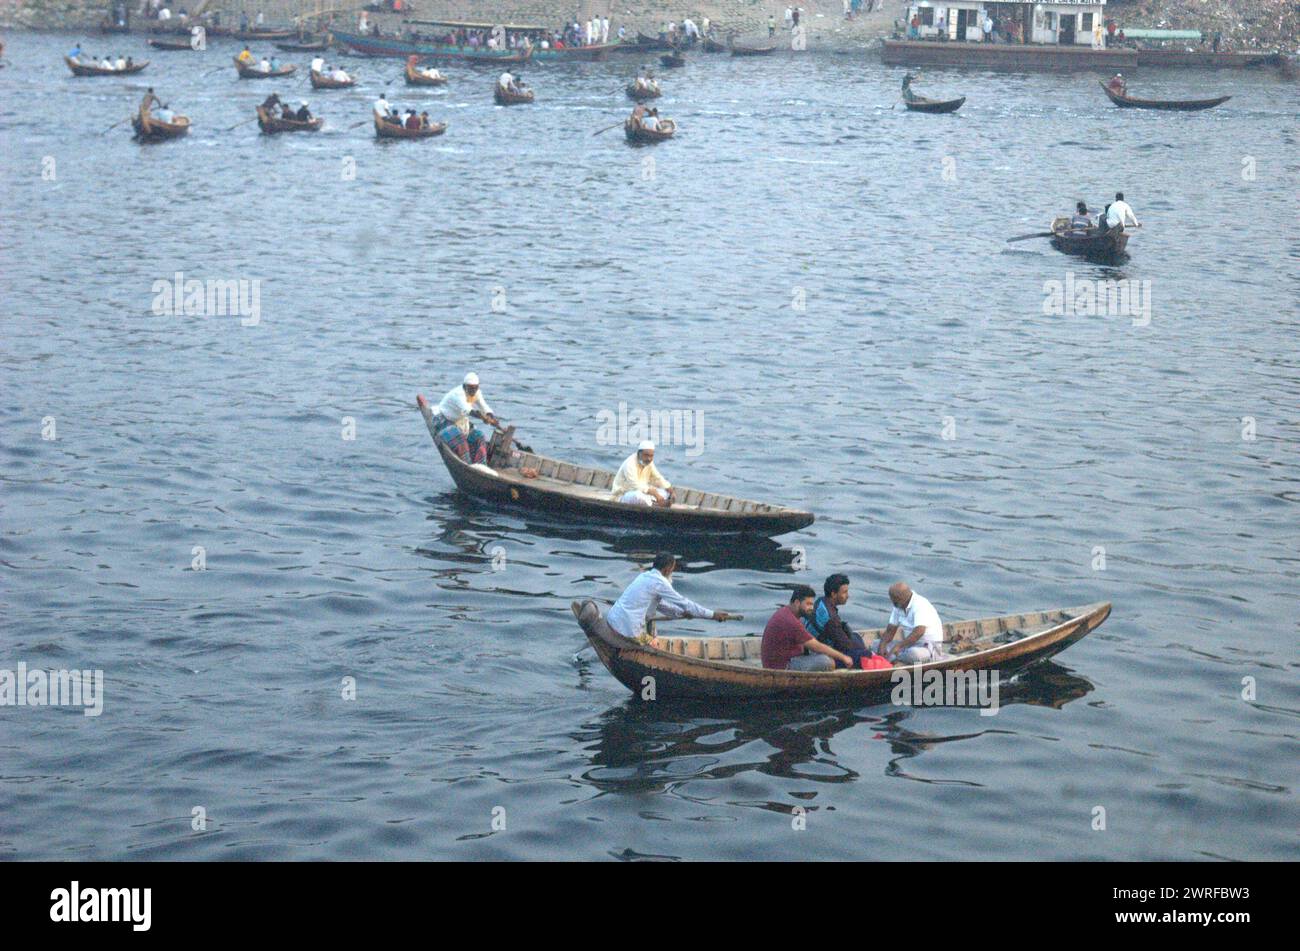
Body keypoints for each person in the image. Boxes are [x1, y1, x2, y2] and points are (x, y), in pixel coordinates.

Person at [606, 553, 730, 642]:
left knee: (652, 633)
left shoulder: (644, 576)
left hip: (613, 619)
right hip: (627, 629)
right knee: (655, 644)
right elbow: (684, 603)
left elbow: (660, 604)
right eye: (672, 569)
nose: (672, 572)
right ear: (666, 570)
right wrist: (712, 615)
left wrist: (681, 613)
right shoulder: (660, 582)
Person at [762, 586, 853, 671]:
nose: (811, 608)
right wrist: (843, 657)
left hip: (784, 658)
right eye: (808, 604)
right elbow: (816, 646)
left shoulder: (786, 612)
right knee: (827, 662)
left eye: (812, 604)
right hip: (781, 666)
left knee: (822, 651)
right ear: (797, 602)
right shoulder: (791, 621)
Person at [805, 574, 877, 668]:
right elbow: (846, 645)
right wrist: (866, 652)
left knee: (855, 636)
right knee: (866, 655)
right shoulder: (831, 619)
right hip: (821, 652)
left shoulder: (821, 601)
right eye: (844, 592)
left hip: (819, 642)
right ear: (833, 594)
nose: (848, 596)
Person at [433, 373, 499, 465]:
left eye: (475, 388)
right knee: (461, 441)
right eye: (470, 388)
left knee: (480, 437)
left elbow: (484, 406)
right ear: (464, 387)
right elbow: (468, 410)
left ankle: (481, 465)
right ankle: (468, 466)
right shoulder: (458, 394)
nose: (473, 390)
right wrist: (484, 418)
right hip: (445, 421)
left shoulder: (477, 393)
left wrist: (490, 415)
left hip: (460, 422)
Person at [873, 582, 945, 663]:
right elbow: (890, 630)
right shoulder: (898, 606)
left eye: (894, 601)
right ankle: (896, 658)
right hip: (908, 645)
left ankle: (895, 659)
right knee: (876, 644)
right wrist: (883, 644)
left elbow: (919, 632)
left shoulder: (920, 605)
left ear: (901, 599)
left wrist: (898, 646)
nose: (892, 603)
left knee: (913, 654)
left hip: (928, 647)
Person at [611, 441, 672, 505]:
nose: (649, 458)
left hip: (643, 491)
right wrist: (654, 493)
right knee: (638, 496)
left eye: (651, 456)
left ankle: (654, 502)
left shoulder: (648, 462)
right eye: (646, 455)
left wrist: (669, 488)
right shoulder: (630, 464)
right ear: (639, 453)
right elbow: (635, 485)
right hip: (623, 495)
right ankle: (654, 504)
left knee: (666, 492)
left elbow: (657, 478)